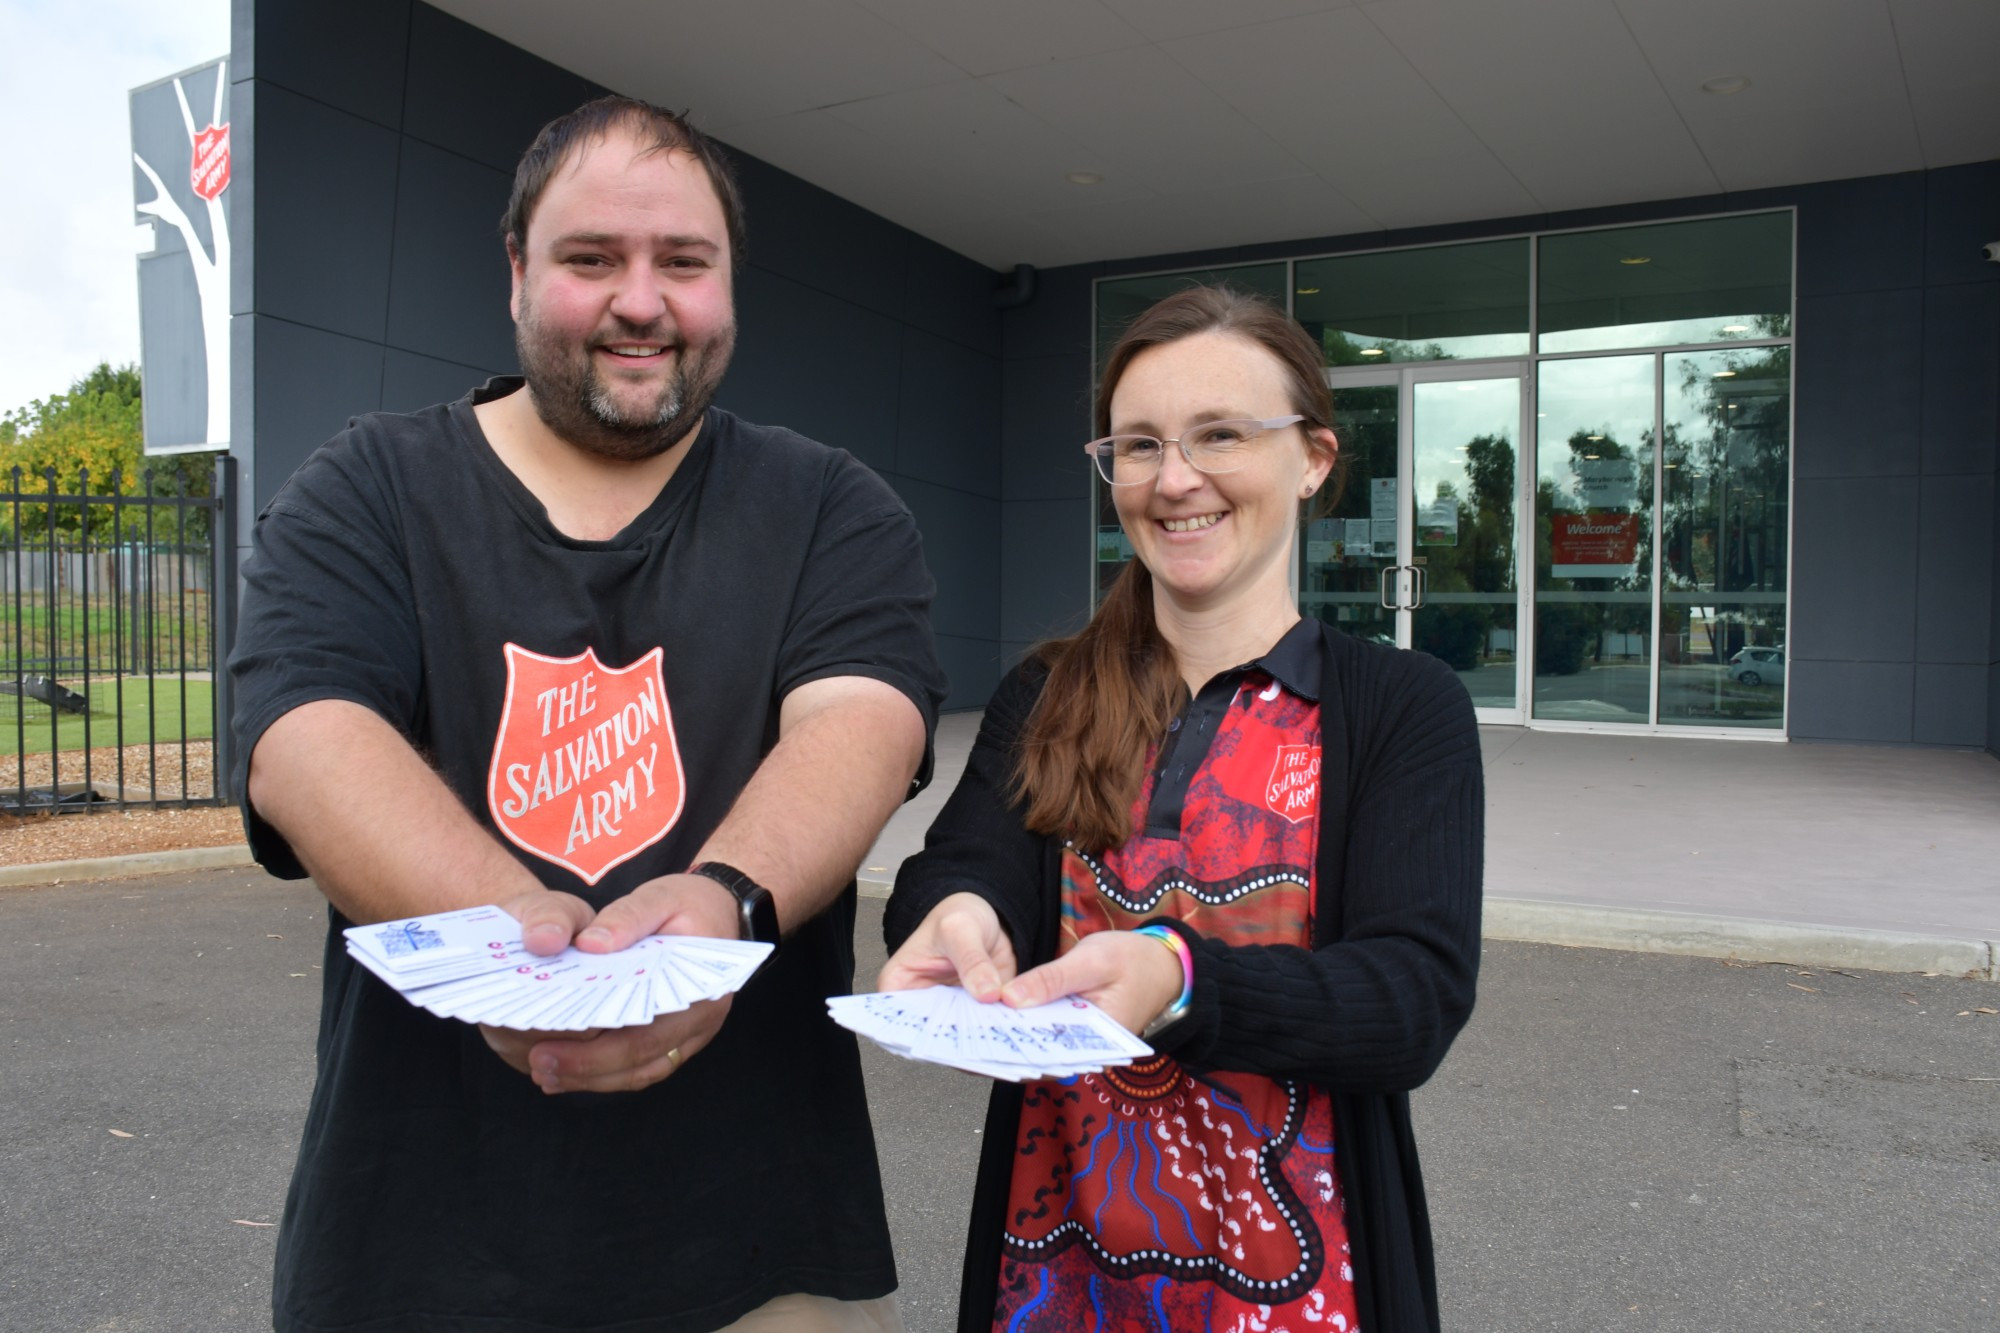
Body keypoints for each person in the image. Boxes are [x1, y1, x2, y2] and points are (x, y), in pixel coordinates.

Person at [230, 95, 945, 1333]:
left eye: (683, 261)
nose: (640, 300)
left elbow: (861, 722)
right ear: (515, 270)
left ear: (728, 283)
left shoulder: (829, 504)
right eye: (590, 258)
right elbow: (304, 732)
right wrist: (518, 936)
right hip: (414, 1254)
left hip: (765, 1254)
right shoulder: (370, 486)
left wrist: (725, 894)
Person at [881, 286, 1483, 1333]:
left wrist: (1179, 977)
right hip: (1054, 1279)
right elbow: (955, 871)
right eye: (1139, 445)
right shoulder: (1045, 691)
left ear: (1311, 459)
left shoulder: (1397, 706)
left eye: (1218, 435)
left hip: (1303, 1294)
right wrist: (956, 916)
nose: (1174, 479)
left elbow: (1411, 996)